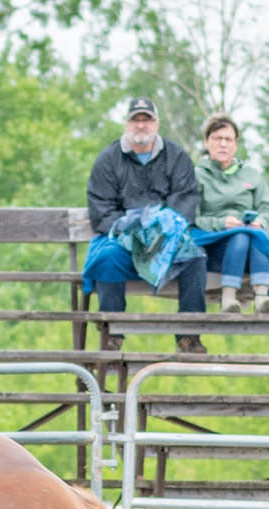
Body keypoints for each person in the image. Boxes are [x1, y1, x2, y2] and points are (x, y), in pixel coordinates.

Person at [83, 96, 207, 353]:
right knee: (106, 258)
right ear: (127, 123)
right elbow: (100, 208)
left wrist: (162, 229)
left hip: (166, 241)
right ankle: (112, 334)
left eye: (147, 119)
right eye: (135, 119)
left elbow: (185, 199)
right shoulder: (108, 159)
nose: (141, 125)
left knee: (195, 258)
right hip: (126, 242)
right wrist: (127, 229)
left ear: (156, 123)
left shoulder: (176, 157)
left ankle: (188, 336)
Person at [191, 113, 269, 313]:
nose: (223, 144)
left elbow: (267, 209)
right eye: (217, 139)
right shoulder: (196, 175)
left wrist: (260, 221)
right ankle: (228, 298)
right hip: (214, 250)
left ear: (235, 144)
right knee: (241, 235)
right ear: (207, 142)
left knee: (255, 234)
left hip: (250, 252)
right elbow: (192, 218)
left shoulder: (251, 175)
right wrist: (221, 223)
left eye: (228, 139)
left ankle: (262, 299)